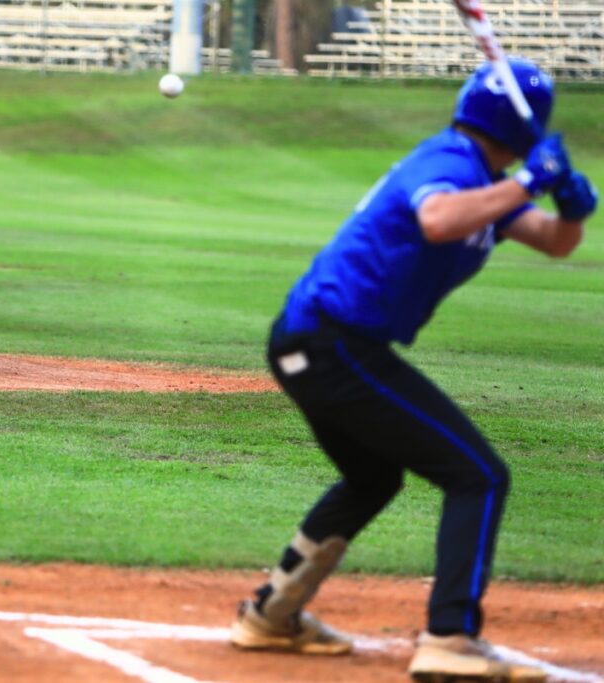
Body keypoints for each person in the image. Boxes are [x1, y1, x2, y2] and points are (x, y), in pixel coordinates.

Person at [230, 58, 596, 683]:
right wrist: (531, 179)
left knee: (373, 478)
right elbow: (438, 219)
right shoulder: (449, 161)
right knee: (478, 475)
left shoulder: (483, 177)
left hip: (321, 343)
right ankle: (450, 638)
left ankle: (271, 615)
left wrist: (569, 205)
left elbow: (555, 241)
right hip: (332, 342)